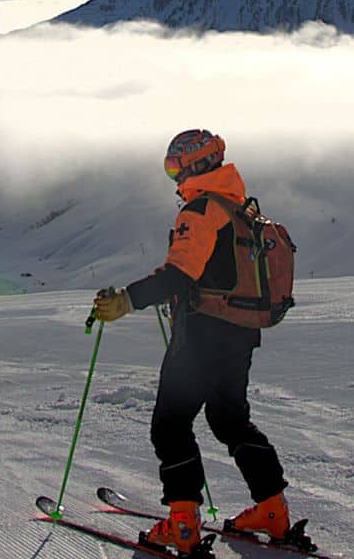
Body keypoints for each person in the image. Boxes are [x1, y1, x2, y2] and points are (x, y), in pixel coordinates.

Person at [92, 129, 294, 555]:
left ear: (196, 165)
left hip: (202, 335)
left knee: (170, 423)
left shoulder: (201, 212)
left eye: (174, 167)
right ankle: (272, 510)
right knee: (229, 419)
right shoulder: (239, 208)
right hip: (241, 332)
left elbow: (179, 275)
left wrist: (126, 300)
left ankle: (182, 522)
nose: (173, 176)